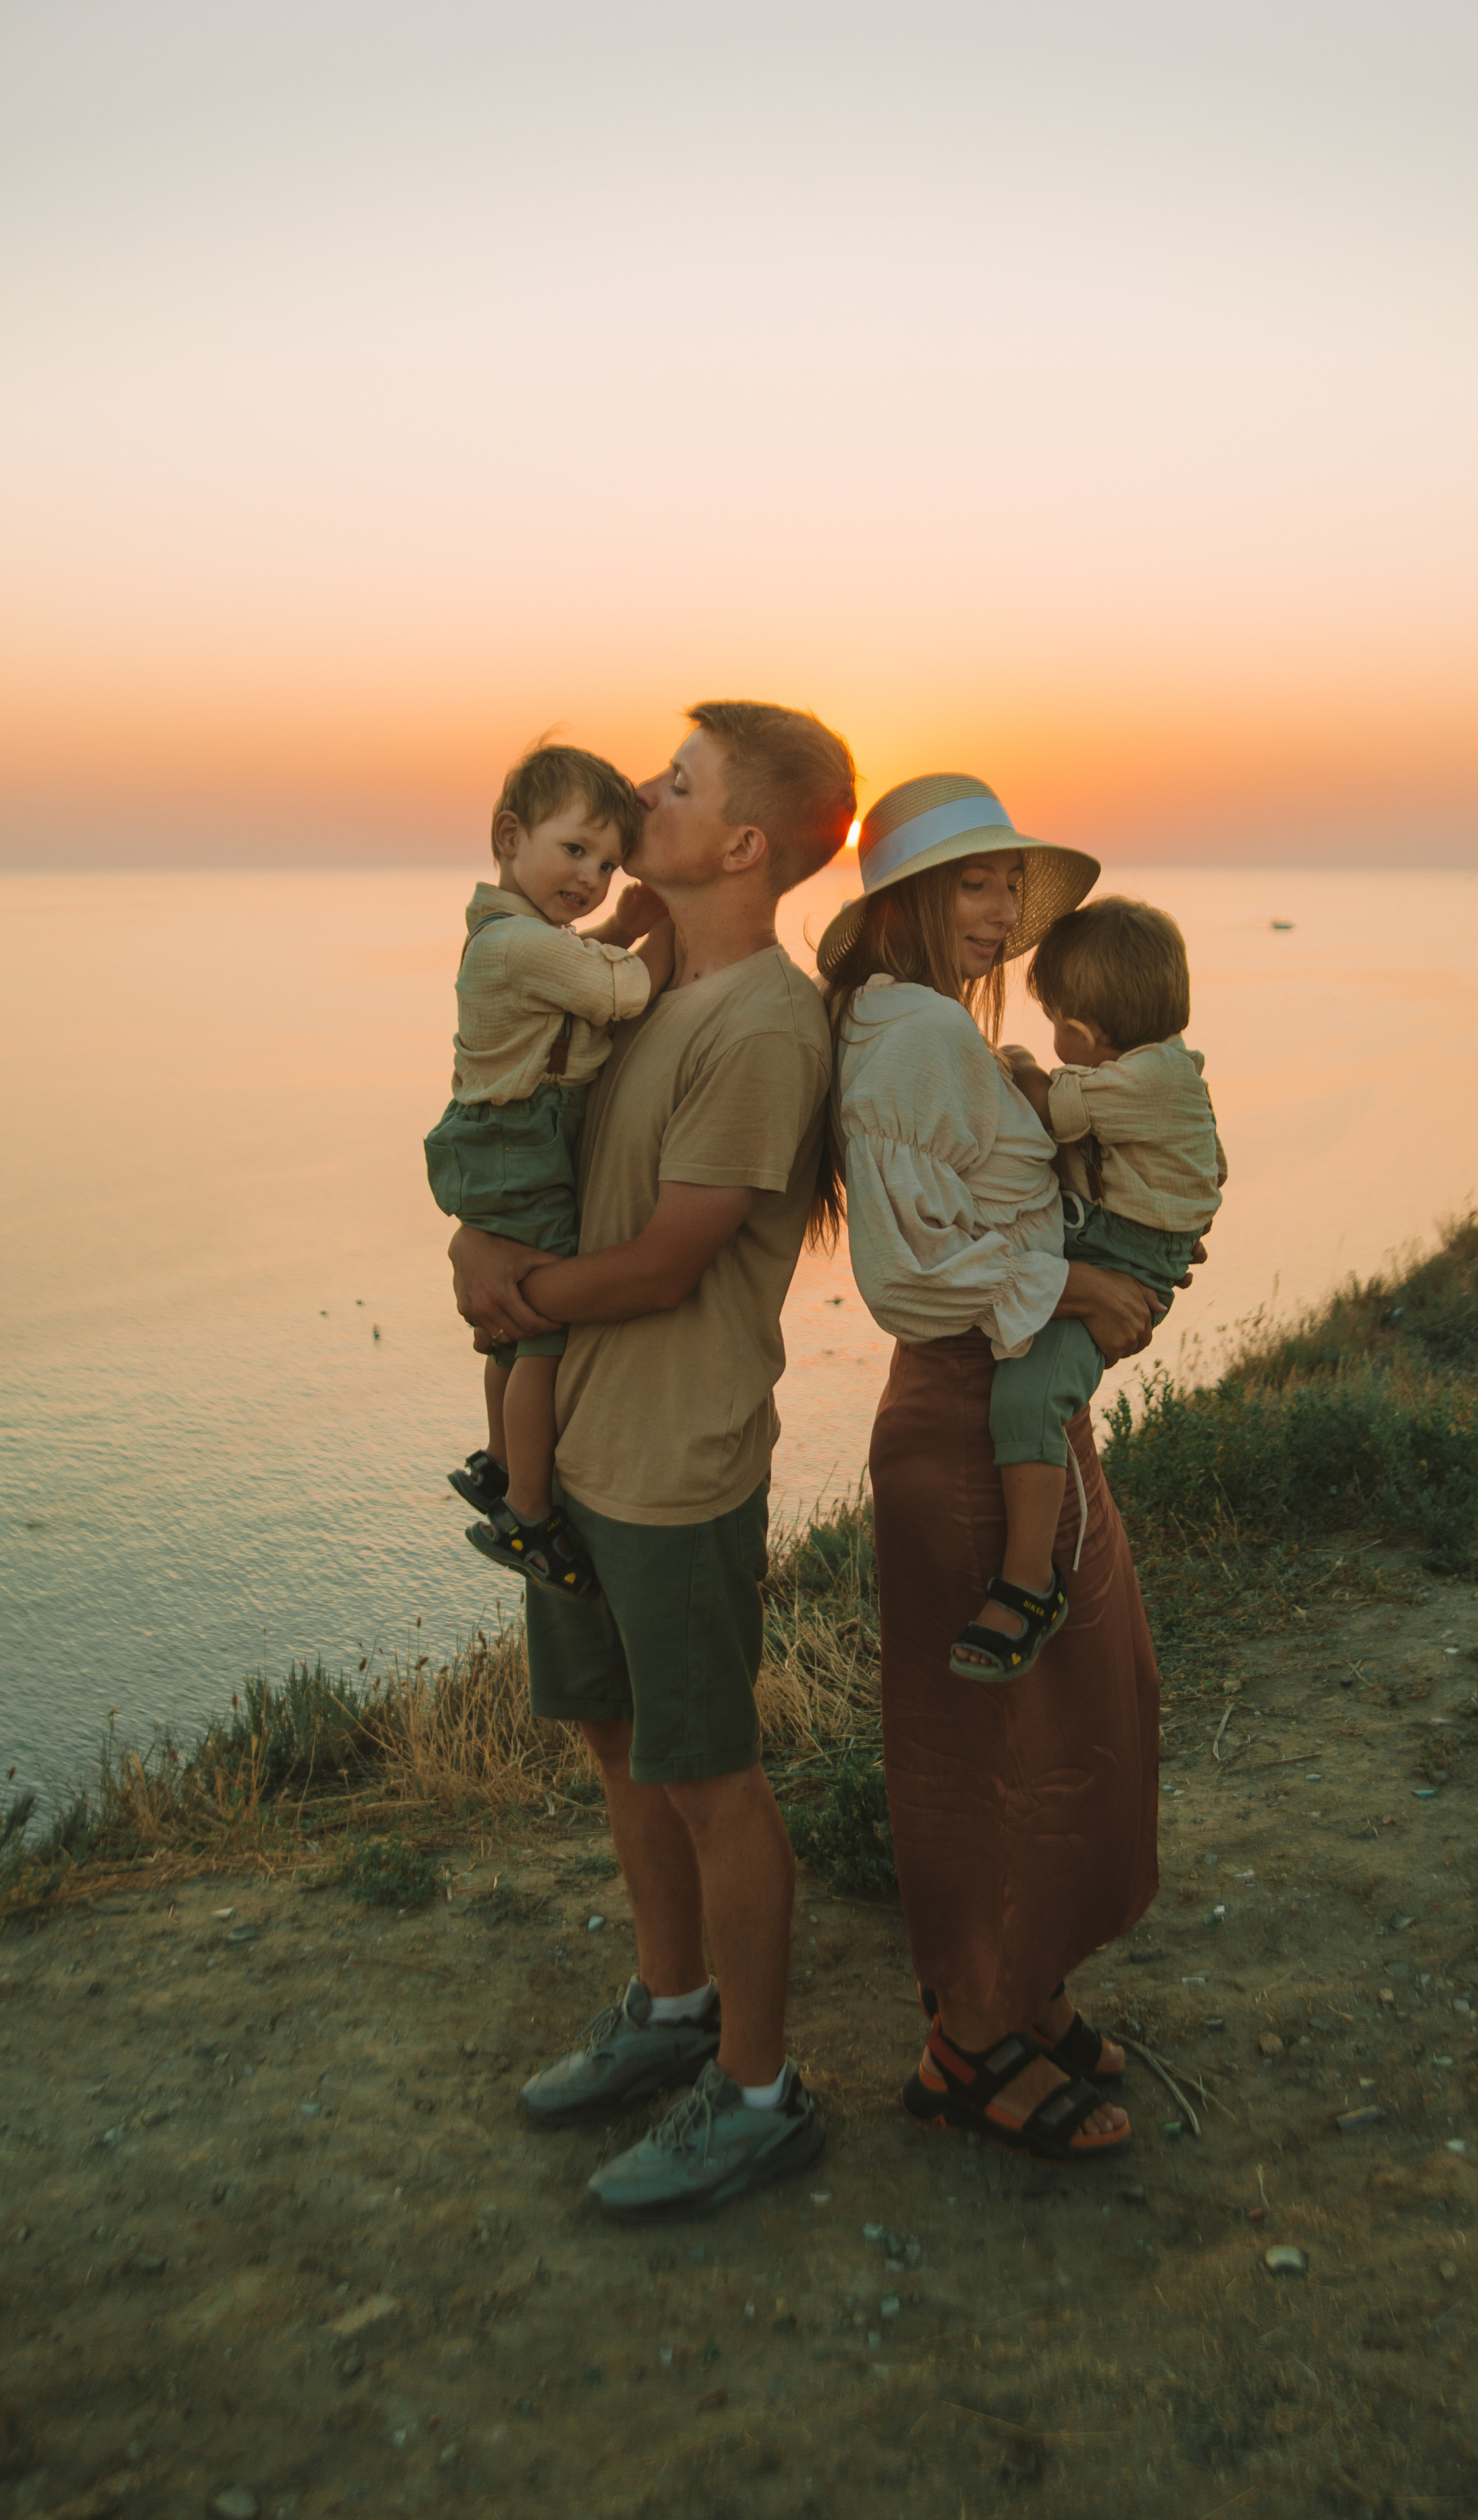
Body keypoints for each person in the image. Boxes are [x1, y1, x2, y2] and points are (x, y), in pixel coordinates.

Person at [449, 699, 857, 2218]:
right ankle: (673, 2005)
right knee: (616, 1739)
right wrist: (478, 1236)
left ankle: (755, 2093)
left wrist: (513, 1292)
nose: (641, 791)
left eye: (675, 783)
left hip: (677, 1463)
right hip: (584, 1448)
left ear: (743, 843)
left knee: (706, 1773)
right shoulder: (645, 986)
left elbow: (671, 1258)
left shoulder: (761, 1023)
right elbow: (536, 1152)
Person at [820, 771, 1168, 2163]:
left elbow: (975, 1202)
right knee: (993, 1749)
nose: (1001, 905)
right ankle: (968, 2042)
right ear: (905, 897)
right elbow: (905, 1272)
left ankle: (1024, 1989)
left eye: (1008, 881)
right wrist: (1078, 1281)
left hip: (1000, 1412)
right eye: (972, 880)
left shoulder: (931, 1025)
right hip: (966, 1422)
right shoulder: (910, 1031)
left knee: (1065, 1710)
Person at [422, 742, 672, 1593]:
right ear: (509, 836)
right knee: (542, 1333)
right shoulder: (519, 946)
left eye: (607, 864)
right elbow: (618, 991)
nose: (592, 877)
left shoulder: (514, 936)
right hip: (518, 1142)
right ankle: (529, 1514)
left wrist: (620, 928)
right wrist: (669, 934)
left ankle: (500, 1462)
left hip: (501, 1140)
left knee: (508, 1327)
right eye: (576, 850)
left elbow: (577, 966)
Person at [971, 895, 1226, 1677]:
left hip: (1119, 1255)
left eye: (1054, 1021)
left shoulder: (1142, 1081)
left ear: (1081, 1034)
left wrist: (1014, 1062)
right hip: (1116, 1235)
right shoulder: (1159, 1064)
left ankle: (1029, 1581)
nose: (1053, 1037)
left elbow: (1044, 1106)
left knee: (1028, 1398)